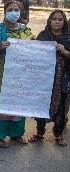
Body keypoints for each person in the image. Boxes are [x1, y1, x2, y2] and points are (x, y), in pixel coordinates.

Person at [0, 0, 35, 148]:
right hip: (2, 72)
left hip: (21, 74)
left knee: (18, 102)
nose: (13, 13)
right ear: (5, 11)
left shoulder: (26, 30)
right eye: (10, 10)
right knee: (1, 103)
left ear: (20, 12)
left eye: (16, 10)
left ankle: (17, 133)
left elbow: (35, 49)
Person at [29, 10, 70, 146]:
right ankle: (40, 132)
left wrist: (64, 51)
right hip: (44, 79)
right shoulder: (43, 35)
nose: (57, 21)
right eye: (54, 19)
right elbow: (34, 56)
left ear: (64, 22)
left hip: (62, 78)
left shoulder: (68, 37)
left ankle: (58, 134)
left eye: (60, 19)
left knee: (61, 107)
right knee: (42, 104)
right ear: (50, 21)